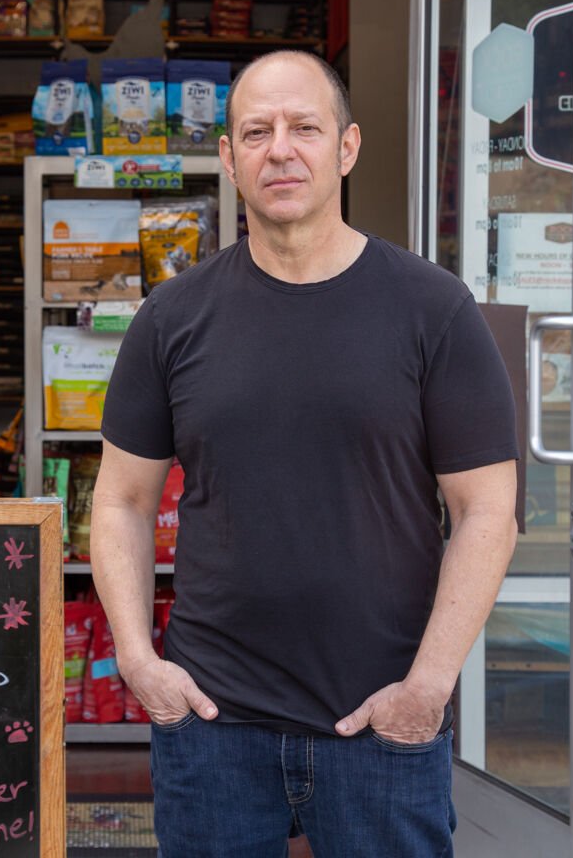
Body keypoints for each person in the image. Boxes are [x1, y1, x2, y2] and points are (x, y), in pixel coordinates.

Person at [90, 49, 520, 857]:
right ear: (227, 157)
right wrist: (138, 659)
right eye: (255, 131)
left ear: (347, 148)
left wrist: (427, 688)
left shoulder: (433, 309)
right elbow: (120, 500)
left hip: (382, 724)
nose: (279, 149)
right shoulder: (171, 317)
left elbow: (487, 510)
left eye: (304, 128)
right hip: (213, 725)